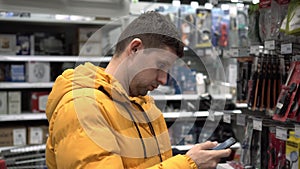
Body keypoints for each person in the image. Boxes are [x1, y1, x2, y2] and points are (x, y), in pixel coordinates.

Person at [45, 11, 231, 169]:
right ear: (135, 49)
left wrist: (185, 156)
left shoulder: (142, 105)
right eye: (160, 65)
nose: (163, 79)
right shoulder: (83, 107)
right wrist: (187, 164)